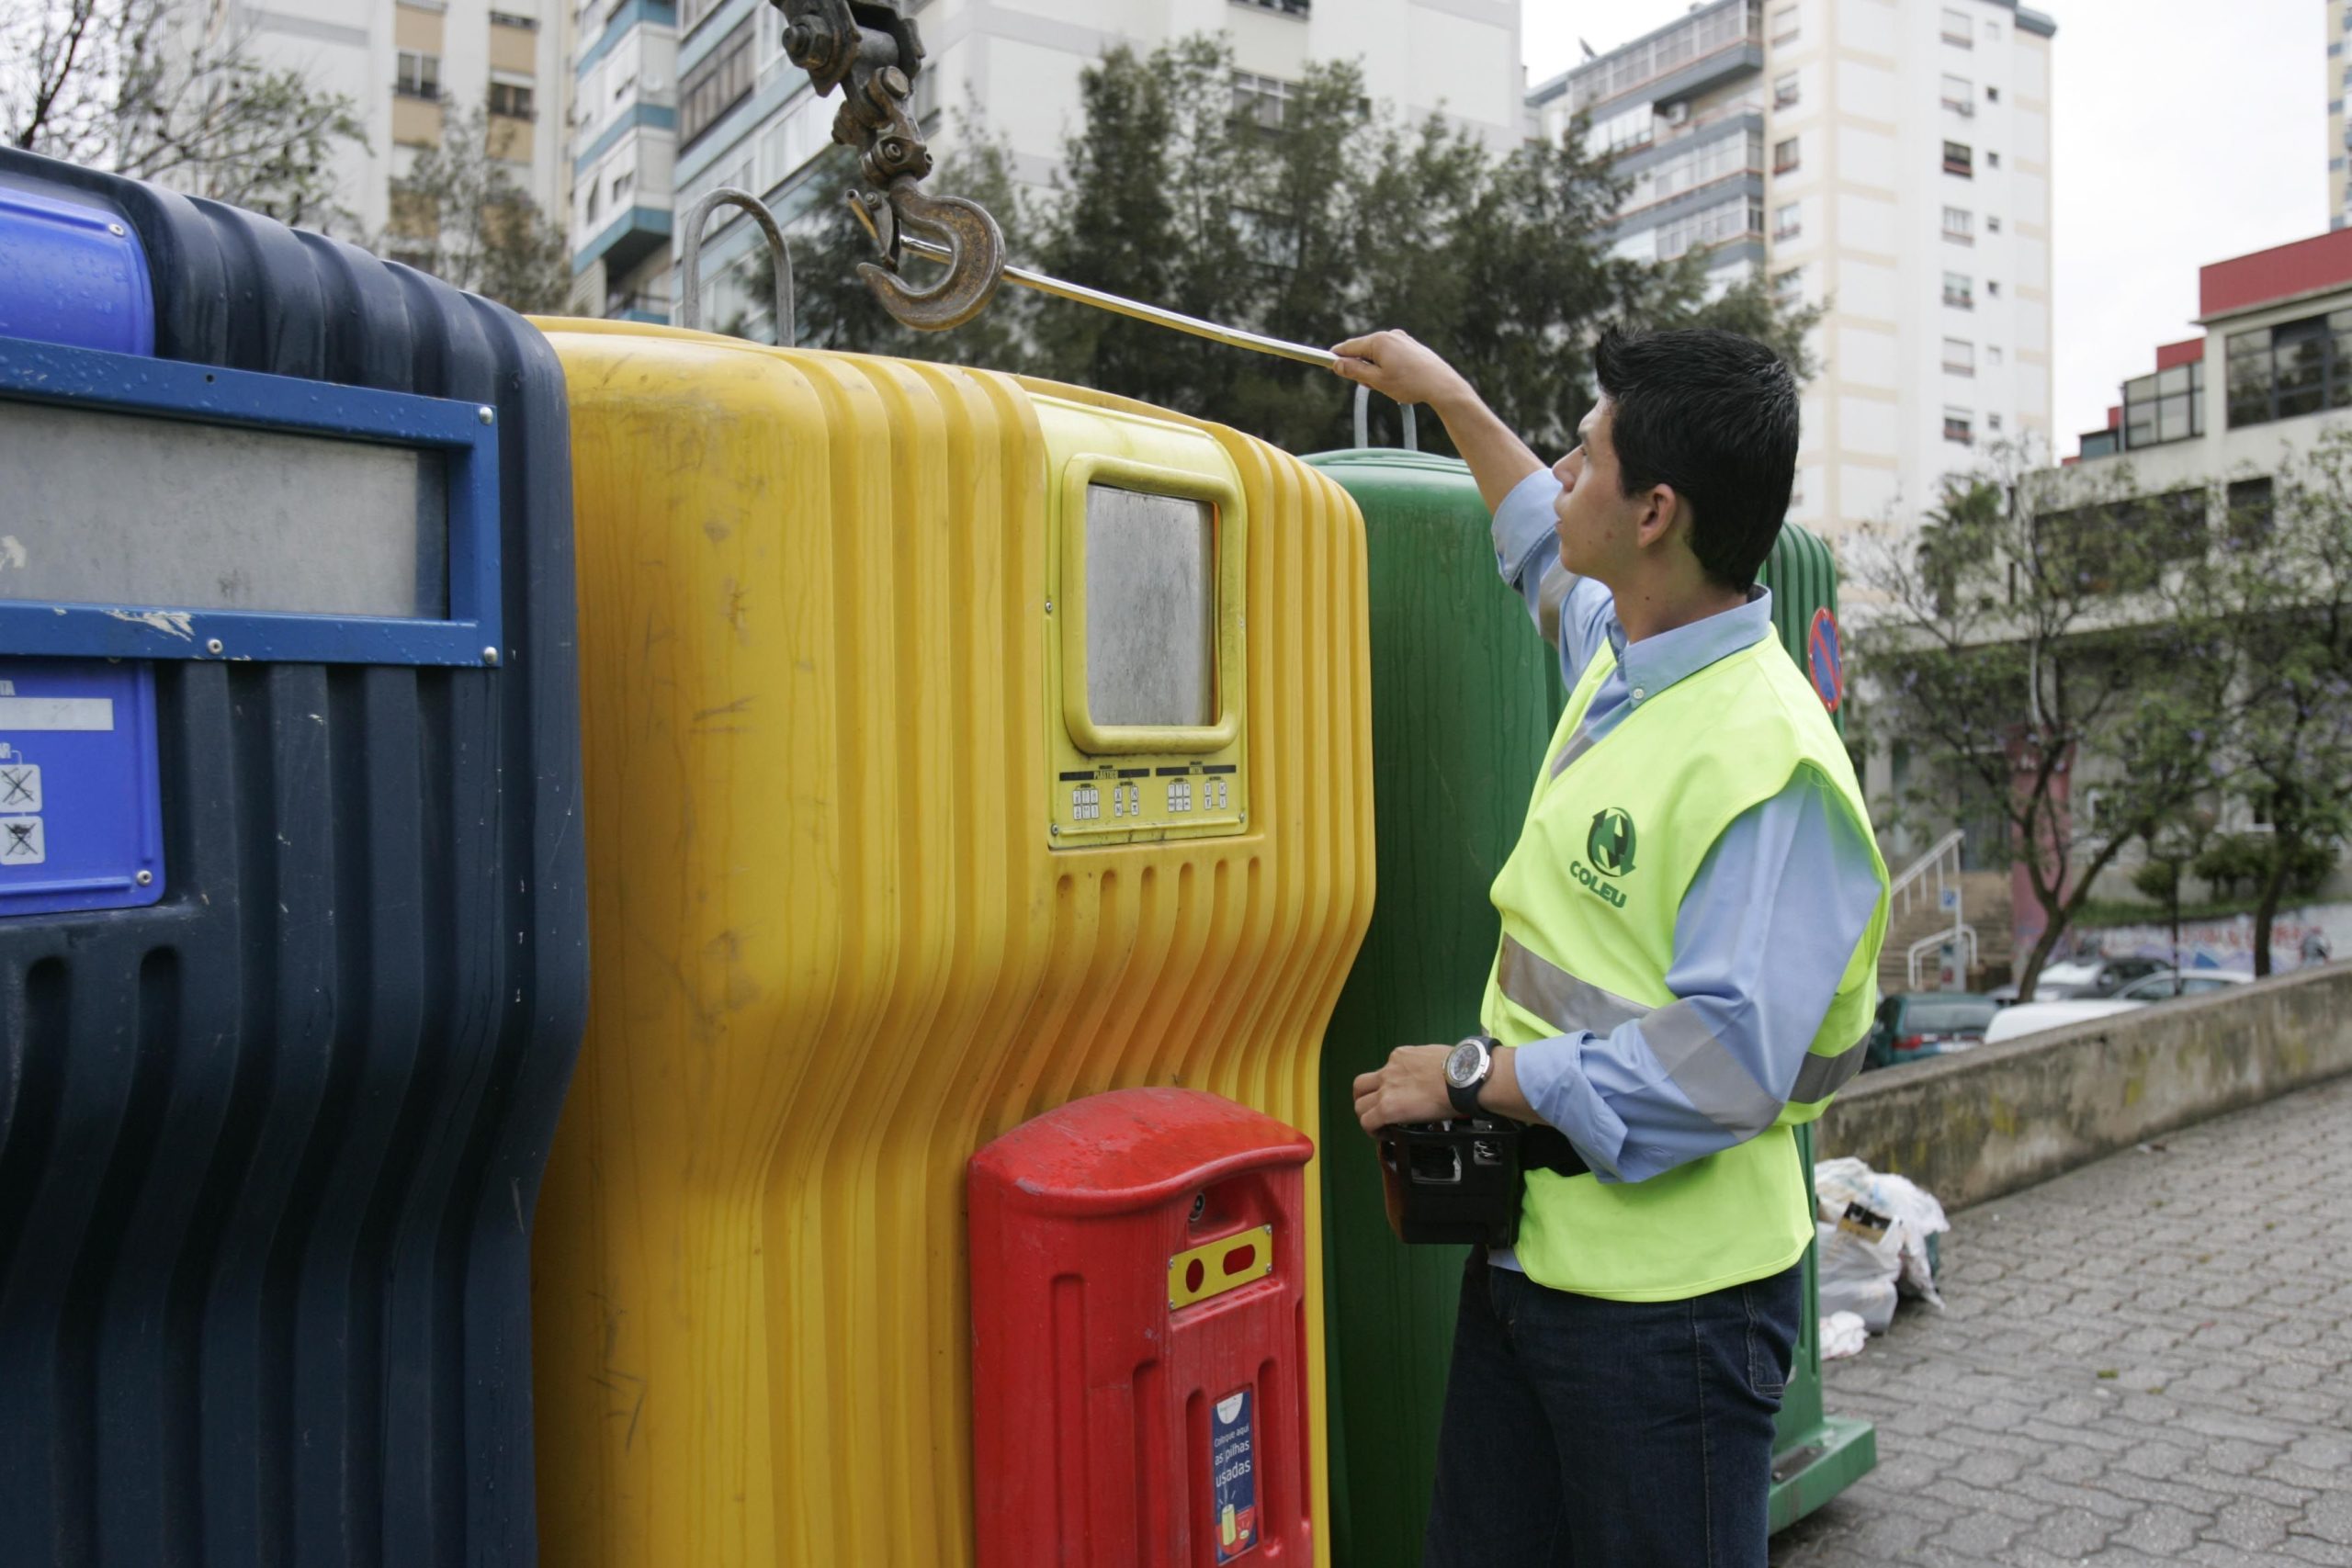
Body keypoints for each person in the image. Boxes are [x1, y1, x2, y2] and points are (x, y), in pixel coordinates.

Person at [1333, 326, 1891, 1568]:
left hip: (1673, 1318)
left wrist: (1474, 1078)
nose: (1565, 472)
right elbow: (1540, 542)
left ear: (1654, 512)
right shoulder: (1628, 658)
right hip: (1533, 1260)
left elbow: (1722, 1068)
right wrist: (1454, 401)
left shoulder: (1768, 764)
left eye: (1586, 455)